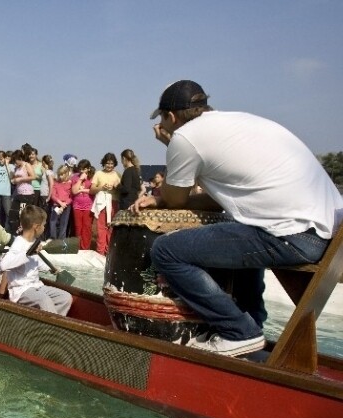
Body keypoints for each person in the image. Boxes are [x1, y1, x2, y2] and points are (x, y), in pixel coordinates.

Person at [132, 79, 343, 356]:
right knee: (240, 228)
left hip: (297, 237)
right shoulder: (238, 122)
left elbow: (176, 199)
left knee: (167, 251)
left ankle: (238, 331)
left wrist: (169, 145)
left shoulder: (184, 138)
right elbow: (216, 199)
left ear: (170, 116)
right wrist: (160, 199)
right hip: (327, 231)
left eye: (162, 118)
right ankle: (251, 324)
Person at [0, 205, 72, 315]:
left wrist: (51, 269)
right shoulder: (18, 243)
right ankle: (53, 328)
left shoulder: (34, 242)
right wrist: (27, 254)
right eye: (44, 225)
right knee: (44, 300)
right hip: (21, 291)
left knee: (66, 298)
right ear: (36, 227)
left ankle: (49, 325)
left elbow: (37, 263)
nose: (44, 228)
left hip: (37, 286)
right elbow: (4, 265)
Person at [90, 153, 121, 255]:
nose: (110, 165)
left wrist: (115, 187)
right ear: (104, 163)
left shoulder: (118, 175)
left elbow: (122, 189)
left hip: (114, 203)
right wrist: (102, 188)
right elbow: (92, 189)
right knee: (101, 229)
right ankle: (100, 252)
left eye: (112, 163)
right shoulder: (98, 174)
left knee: (111, 228)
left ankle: (109, 252)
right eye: (108, 163)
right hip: (102, 204)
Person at [8, 149, 36, 234]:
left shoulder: (26, 165)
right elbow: (14, 178)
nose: (15, 163)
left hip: (27, 194)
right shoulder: (17, 167)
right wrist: (14, 180)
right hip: (18, 193)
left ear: (20, 158)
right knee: (13, 213)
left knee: (22, 214)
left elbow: (33, 176)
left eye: (16, 161)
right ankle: (15, 232)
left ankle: (24, 232)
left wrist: (21, 179)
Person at [70, 159, 95, 250]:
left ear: (88, 169)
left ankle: (85, 248)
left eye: (84, 169)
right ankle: (78, 248)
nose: (82, 171)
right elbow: (74, 191)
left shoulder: (92, 177)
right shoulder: (75, 177)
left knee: (87, 228)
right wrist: (80, 179)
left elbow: (93, 191)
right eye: (80, 169)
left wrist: (82, 190)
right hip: (77, 206)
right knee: (78, 228)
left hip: (88, 206)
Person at [49, 165, 73, 240]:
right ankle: (53, 238)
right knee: (53, 222)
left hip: (66, 207)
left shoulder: (70, 184)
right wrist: (60, 203)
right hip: (56, 205)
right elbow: (53, 195)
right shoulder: (56, 183)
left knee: (63, 224)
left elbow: (71, 197)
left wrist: (65, 204)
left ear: (66, 174)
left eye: (62, 174)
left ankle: (61, 240)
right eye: (59, 174)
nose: (60, 176)